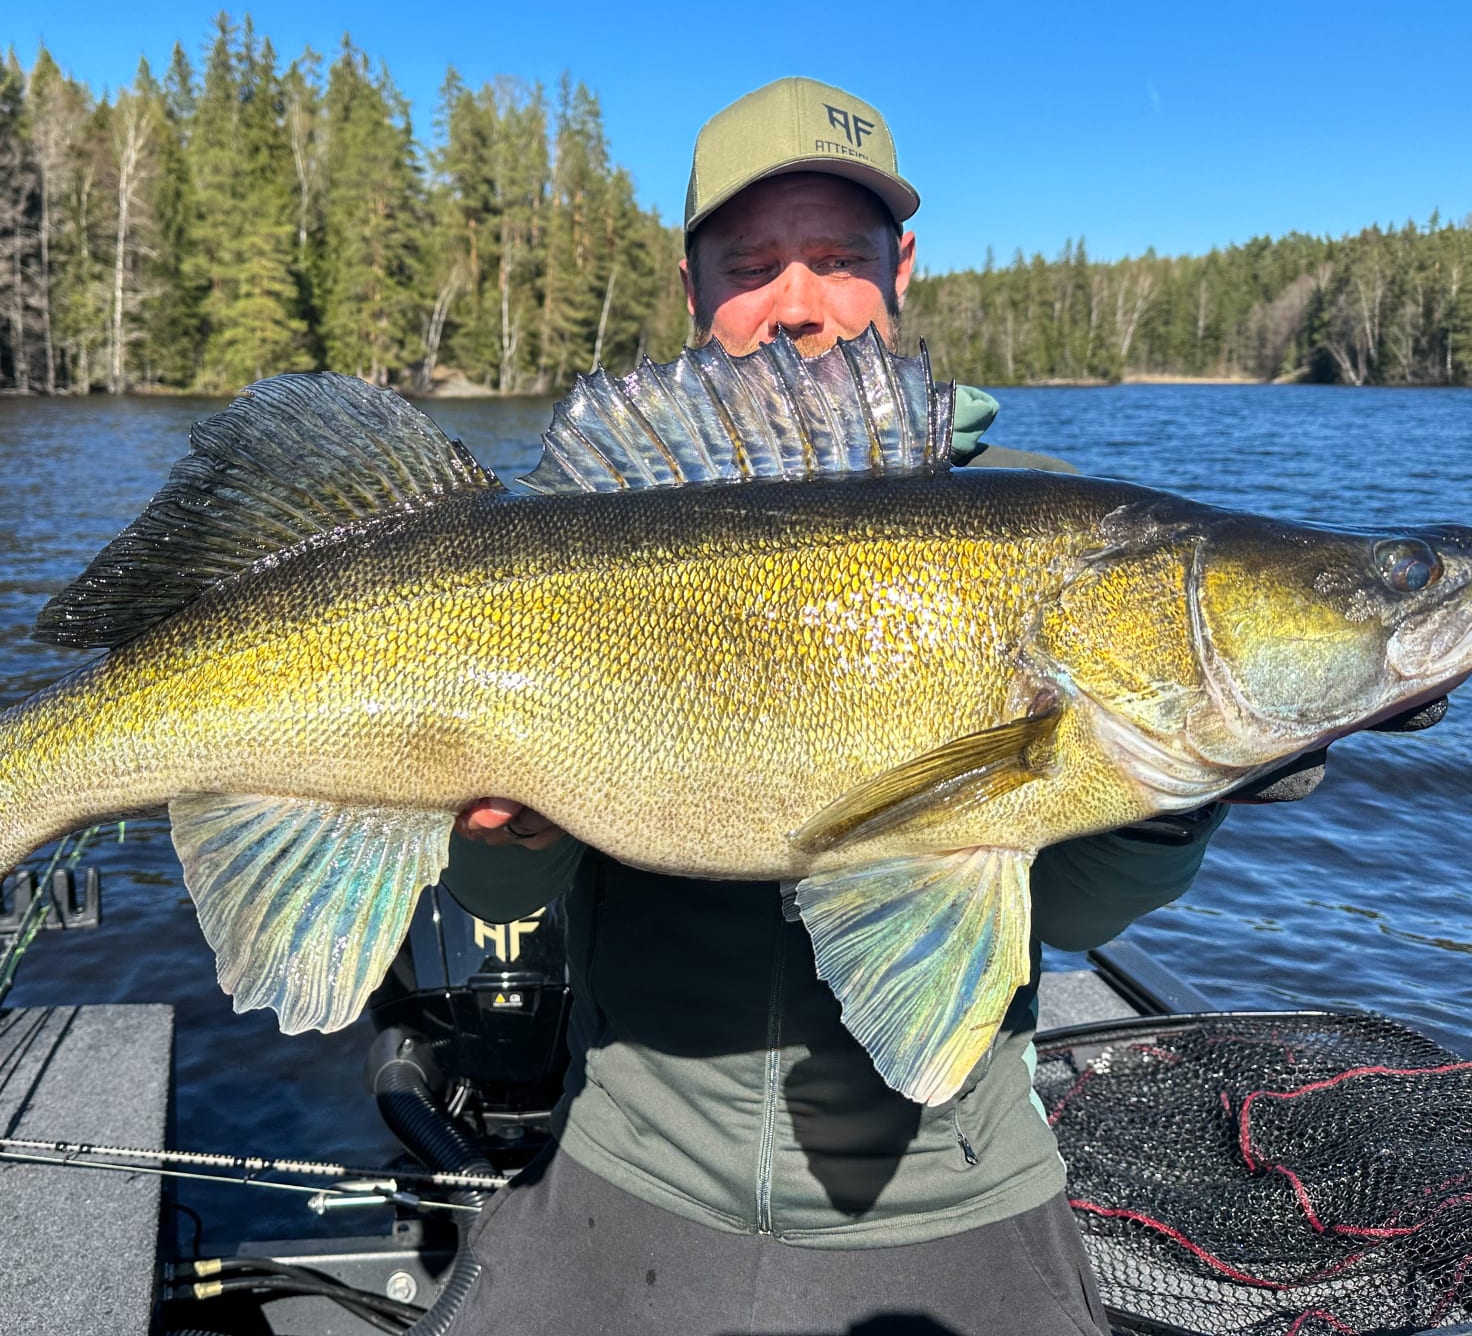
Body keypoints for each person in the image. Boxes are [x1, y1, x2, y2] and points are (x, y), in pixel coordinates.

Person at [433, 77, 1226, 1336]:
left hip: (951, 1200)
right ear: (692, 285)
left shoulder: (1051, 528)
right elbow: (501, 903)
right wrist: (497, 851)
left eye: (837, 258)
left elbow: (1067, 907)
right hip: (623, 1177)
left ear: (900, 268)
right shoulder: (575, 538)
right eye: (752, 263)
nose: (796, 302)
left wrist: (1184, 794)